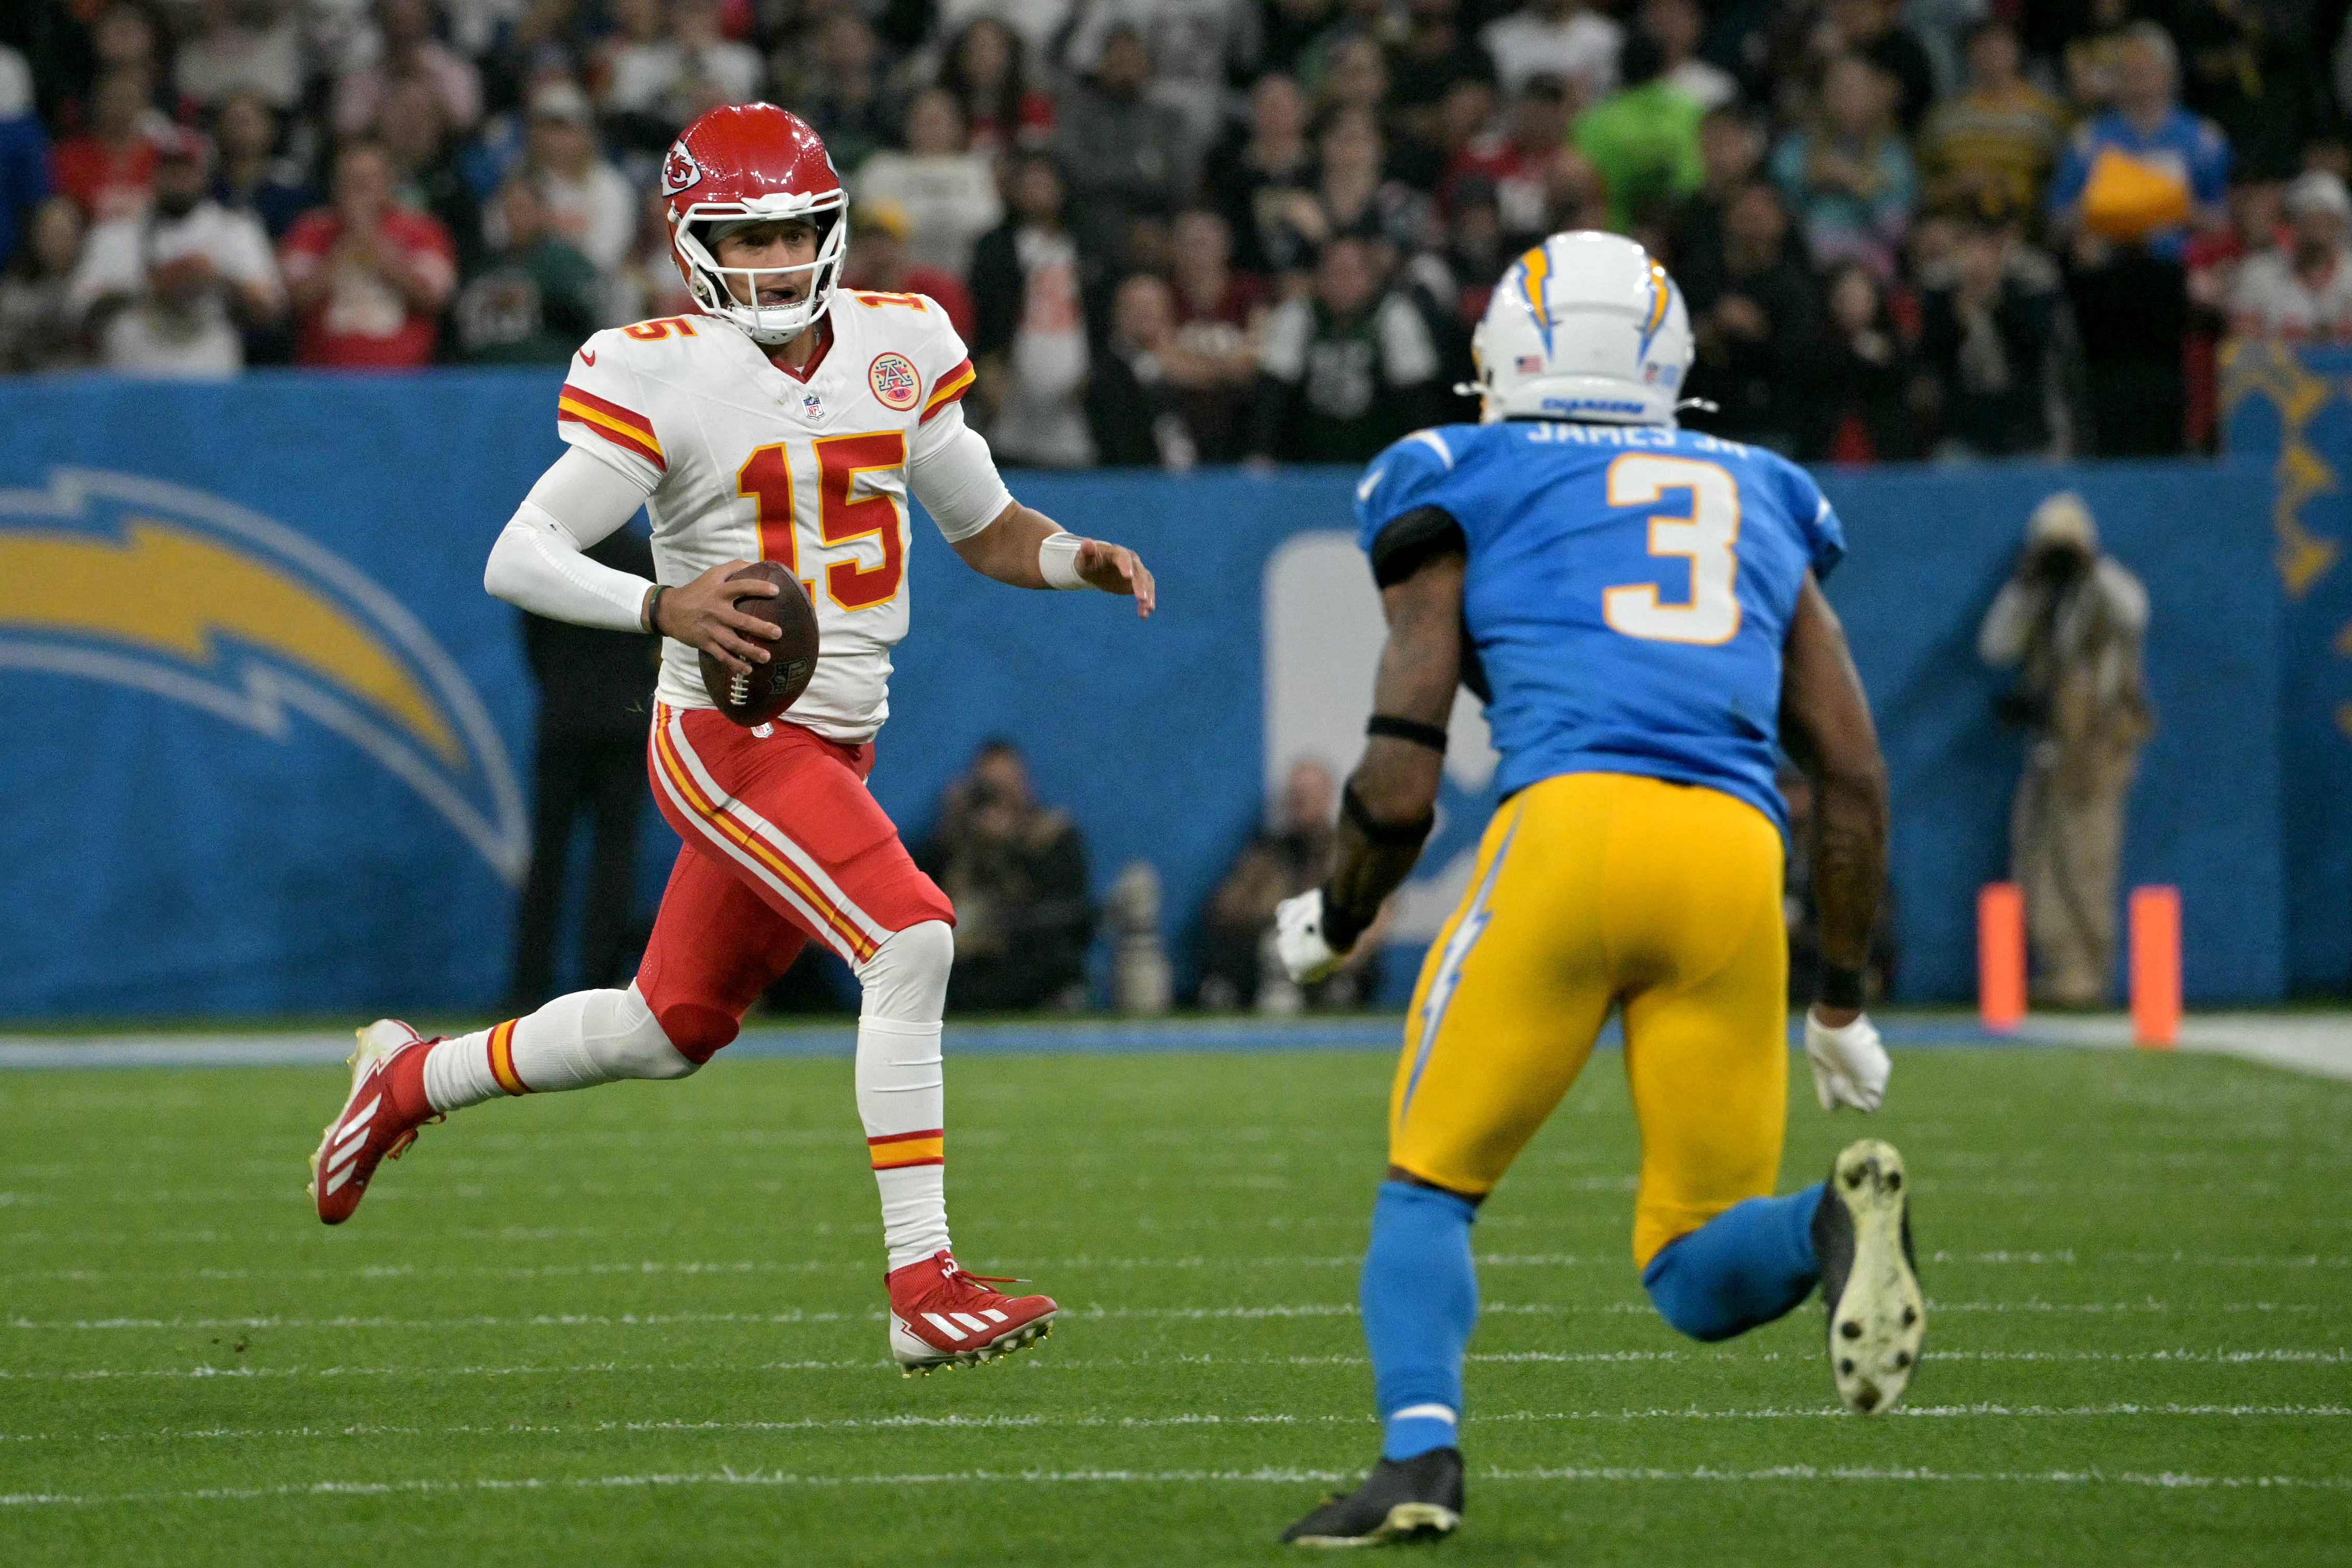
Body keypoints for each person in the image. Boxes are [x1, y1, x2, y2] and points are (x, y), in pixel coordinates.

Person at [306, 104, 1157, 1380]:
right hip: (730, 735)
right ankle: (922, 1283)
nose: (773, 260)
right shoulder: (660, 368)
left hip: (839, 742)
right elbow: (518, 554)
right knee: (912, 935)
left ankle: (412, 1079)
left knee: (667, 1028)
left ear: (831, 230)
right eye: (744, 239)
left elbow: (984, 526)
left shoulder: (898, 341)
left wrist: (1071, 554)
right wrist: (662, 604)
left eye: (793, 232)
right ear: (692, 245)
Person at [1269, 232, 1917, 1545]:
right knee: (1694, 1262)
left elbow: (1401, 767)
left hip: (1570, 833)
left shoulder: (1460, 468)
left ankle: (1417, 1462)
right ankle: (1824, 1228)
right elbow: (1850, 774)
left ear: (1503, 356)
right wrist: (1840, 1001)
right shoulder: (1761, 487)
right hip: (1732, 858)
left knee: (1427, 1188)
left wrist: (1334, 916)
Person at [1979, 492, 2152, 1008]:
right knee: (2037, 861)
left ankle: (2088, 975)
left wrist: (2089, 563)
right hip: (2047, 749)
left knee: (2086, 859)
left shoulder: (2105, 591)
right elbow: (1996, 647)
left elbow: (2135, 612)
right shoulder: (2040, 598)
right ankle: (2060, 970)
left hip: (2096, 753)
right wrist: (2025, 582)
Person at [506, 526, 660, 1008]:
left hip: (564, 724)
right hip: (626, 726)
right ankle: (598, 985)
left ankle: (527, 989)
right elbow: (664, 643)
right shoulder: (646, 558)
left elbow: (533, 642)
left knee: (547, 861)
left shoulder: (551, 559)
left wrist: (563, 690)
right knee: (615, 861)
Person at [69, 127, 285, 376]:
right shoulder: (114, 233)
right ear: (154, 173)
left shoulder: (236, 230)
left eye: (186, 169)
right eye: (169, 168)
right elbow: (78, 316)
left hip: (208, 376)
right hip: (132, 378)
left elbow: (270, 312)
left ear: (204, 174)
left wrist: (217, 279)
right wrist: (153, 286)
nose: (177, 177)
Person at [914, 739, 1095, 1012]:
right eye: (989, 792)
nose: (999, 803)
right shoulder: (956, 840)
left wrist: (1015, 845)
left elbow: (1069, 908)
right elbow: (923, 891)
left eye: (1008, 789)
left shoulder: (1051, 835)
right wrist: (952, 829)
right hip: (973, 971)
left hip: (1036, 961)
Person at [1199, 758, 1383, 1011]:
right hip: (1272, 963)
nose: (1300, 802)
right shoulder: (1267, 854)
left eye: (1308, 795)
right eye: (1295, 795)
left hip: (1330, 961)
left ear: (1328, 796)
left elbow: (1380, 911)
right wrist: (1268, 905)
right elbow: (1223, 911)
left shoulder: (1349, 852)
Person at [1250, 235, 1444, 463]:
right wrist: (1261, 455)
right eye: (1334, 272)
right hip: (1306, 463)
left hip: (1379, 459)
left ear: (1373, 278)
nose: (1343, 282)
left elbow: (1418, 401)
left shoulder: (1394, 315)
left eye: (1353, 273)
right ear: (1319, 277)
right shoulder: (1298, 315)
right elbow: (1272, 396)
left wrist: (1423, 461)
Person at [278, 139, 455, 368]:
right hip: (323, 375)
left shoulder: (423, 230)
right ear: (336, 186)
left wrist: (373, 242)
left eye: (368, 181)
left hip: (404, 376)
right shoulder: (310, 230)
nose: (360, 190)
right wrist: (344, 246)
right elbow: (294, 300)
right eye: (351, 181)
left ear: (389, 183)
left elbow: (435, 299)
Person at [968, 150, 1096, 467]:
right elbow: (982, 313)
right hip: (1013, 386)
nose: (1038, 190)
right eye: (1030, 182)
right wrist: (986, 367)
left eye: (1045, 182)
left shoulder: (1089, 245)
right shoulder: (995, 247)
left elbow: (1103, 314)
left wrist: (1098, 372)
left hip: (1079, 389)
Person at [855, 88, 1002, 280]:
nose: (932, 129)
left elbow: (990, 221)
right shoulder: (881, 169)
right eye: (924, 121)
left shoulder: (976, 170)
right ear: (908, 125)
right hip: (897, 281)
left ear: (958, 127)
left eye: (940, 121)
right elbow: (871, 230)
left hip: (967, 277)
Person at [452, 174, 600, 362]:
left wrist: (537, 298)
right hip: (483, 371)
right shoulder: (482, 266)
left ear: (541, 211)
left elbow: (589, 318)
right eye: (507, 209)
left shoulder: (564, 261)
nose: (514, 218)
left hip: (546, 370)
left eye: (522, 208)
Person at [2228, 170, 2352, 341]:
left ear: (2340, 224)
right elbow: (2243, 345)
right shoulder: (2258, 274)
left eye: (2327, 217)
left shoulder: (2349, 275)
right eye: (2312, 217)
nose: (2319, 225)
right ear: (2294, 223)